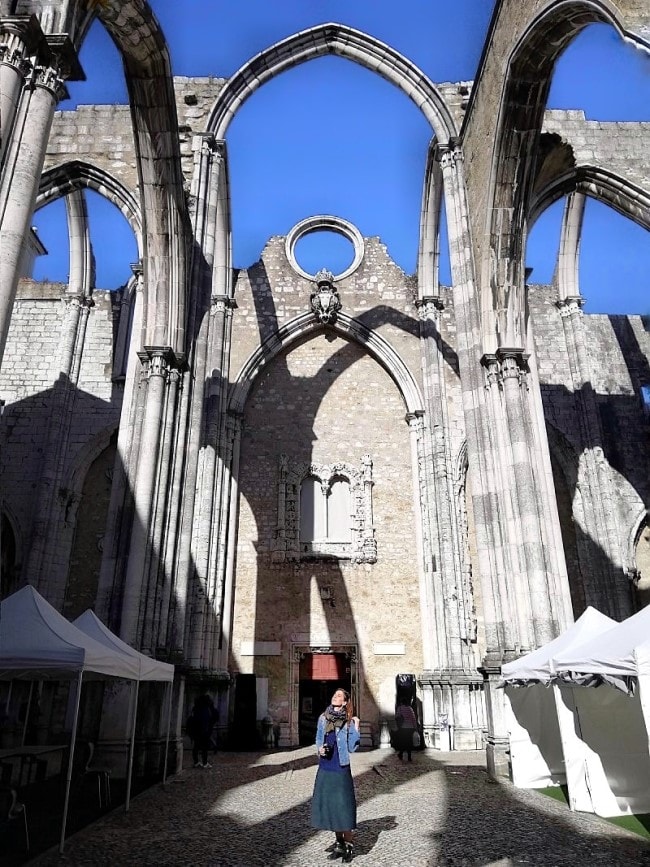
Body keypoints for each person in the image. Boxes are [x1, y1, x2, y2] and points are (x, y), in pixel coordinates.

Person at [311, 687, 360, 863]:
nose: (335, 697)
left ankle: (349, 845)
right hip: (325, 766)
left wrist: (356, 727)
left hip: (340, 768)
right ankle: (338, 843)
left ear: (345, 702)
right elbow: (318, 738)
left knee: (344, 808)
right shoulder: (323, 718)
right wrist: (319, 749)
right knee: (331, 806)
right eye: (335, 694)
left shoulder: (348, 721)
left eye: (339, 696)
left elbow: (353, 747)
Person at [187, 694, 217, 769]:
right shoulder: (205, 709)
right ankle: (204, 763)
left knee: (196, 747)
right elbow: (205, 721)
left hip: (196, 731)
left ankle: (196, 762)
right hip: (202, 732)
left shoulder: (196, 708)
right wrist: (205, 731)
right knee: (204, 748)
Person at [394, 697, 417, 761]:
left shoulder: (400, 708)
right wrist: (415, 727)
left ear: (402, 702)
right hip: (411, 727)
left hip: (403, 727)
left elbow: (397, 716)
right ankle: (409, 757)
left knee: (403, 742)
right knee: (409, 742)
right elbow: (413, 718)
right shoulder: (410, 708)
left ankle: (401, 754)